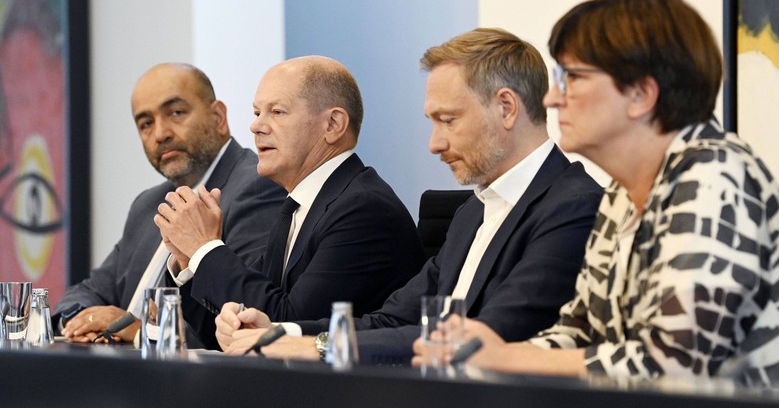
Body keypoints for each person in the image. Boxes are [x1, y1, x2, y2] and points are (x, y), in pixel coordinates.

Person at [417, 0, 779, 390]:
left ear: (641, 95)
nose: (553, 99)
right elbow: (580, 330)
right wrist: (482, 355)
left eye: (572, 78)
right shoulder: (620, 196)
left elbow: (676, 364)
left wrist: (510, 357)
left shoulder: (714, 174)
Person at [215, 28, 603, 364]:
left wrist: (316, 348)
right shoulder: (472, 213)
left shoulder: (573, 206)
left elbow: (484, 337)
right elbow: (393, 320)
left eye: (448, 120)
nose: (434, 144)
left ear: (506, 107)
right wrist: (282, 333)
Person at [155, 56, 426, 349]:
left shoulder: (364, 210)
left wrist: (204, 248)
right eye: (257, 112)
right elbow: (228, 334)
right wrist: (188, 260)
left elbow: (289, 326)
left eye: (277, 112)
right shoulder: (299, 206)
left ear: (333, 124)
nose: (255, 126)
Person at [55, 63, 287, 346]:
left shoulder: (257, 186)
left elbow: (244, 313)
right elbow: (89, 290)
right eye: (146, 123)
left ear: (218, 117)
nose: (160, 133)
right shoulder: (148, 203)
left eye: (175, 113)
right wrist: (84, 322)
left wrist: (142, 331)